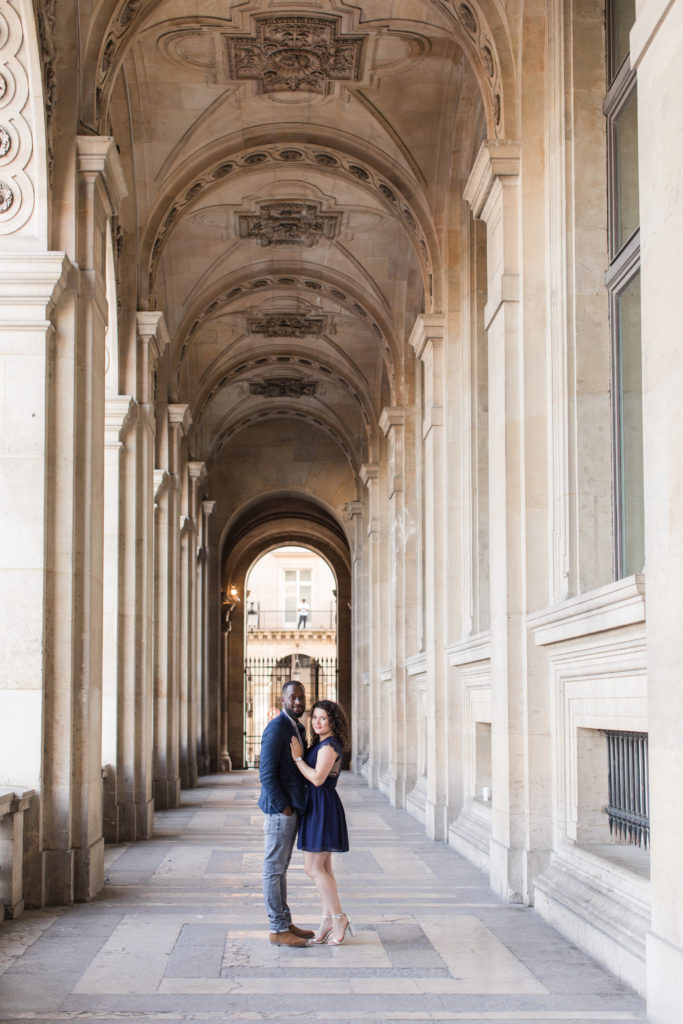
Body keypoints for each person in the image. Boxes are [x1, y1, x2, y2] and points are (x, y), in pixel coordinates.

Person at [290, 699, 353, 945]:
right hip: (319, 806)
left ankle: (339, 917)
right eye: (314, 717)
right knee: (324, 868)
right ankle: (328, 918)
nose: (317, 722)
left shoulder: (329, 746)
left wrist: (297, 759)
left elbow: (317, 779)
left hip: (322, 807)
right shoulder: (323, 743)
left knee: (313, 869)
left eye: (323, 718)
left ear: (332, 721)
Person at [258, 680, 313, 947]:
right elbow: (266, 774)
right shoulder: (276, 728)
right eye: (293, 698)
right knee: (273, 869)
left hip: (290, 809)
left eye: (301, 697)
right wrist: (284, 807)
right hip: (280, 811)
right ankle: (277, 928)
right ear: (283, 700)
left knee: (281, 870)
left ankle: (285, 921)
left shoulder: (296, 727)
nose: (298, 702)